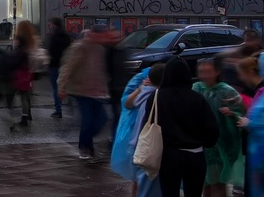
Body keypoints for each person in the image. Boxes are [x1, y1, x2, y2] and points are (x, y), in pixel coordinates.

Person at [147, 58, 219, 197]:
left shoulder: (156, 97)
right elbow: (212, 130)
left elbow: (148, 124)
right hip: (195, 155)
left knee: (169, 192)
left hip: (168, 155)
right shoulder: (197, 98)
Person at [192, 58, 244, 197]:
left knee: (217, 183)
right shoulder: (196, 88)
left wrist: (232, 113)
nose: (204, 76)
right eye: (201, 72)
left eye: (207, 72)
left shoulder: (227, 91)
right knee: (205, 183)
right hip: (201, 145)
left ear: (217, 72)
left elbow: (242, 114)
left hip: (221, 145)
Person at [59, 28, 112, 160]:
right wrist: (62, 86)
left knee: (102, 119)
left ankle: (88, 143)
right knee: (87, 120)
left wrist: (105, 86)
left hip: (98, 91)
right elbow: (68, 67)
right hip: (81, 90)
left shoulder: (100, 49)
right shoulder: (79, 48)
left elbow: (101, 70)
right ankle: (85, 147)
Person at [115, 63, 166, 197]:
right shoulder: (148, 91)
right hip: (146, 143)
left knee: (140, 182)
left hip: (139, 142)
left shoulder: (151, 93)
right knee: (141, 181)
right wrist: (141, 87)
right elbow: (127, 103)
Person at [232, 53, 263, 195]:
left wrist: (247, 123)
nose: (240, 78)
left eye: (241, 74)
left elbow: (257, 121)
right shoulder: (258, 92)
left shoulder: (261, 92)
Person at [47, 17, 73, 119]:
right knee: (66, 86)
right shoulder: (66, 36)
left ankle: (58, 110)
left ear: (54, 24)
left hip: (54, 65)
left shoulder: (53, 36)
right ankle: (71, 106)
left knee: (56, 88)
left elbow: (51, 51)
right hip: (65, 64)